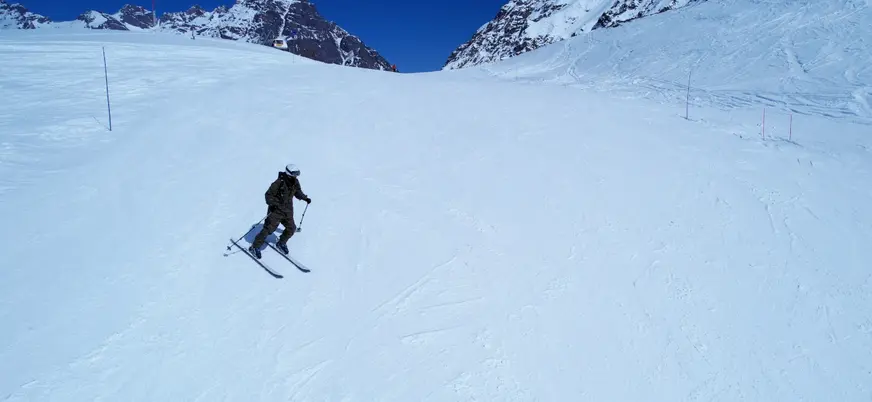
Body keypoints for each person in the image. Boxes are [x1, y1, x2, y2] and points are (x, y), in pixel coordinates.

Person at [249, 163, 311, 258]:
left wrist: (304, 198)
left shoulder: (295, 182)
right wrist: (273, 204)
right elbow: (268, 195)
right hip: (276, 211)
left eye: (297, 174)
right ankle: (254, 246)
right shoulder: (278, 183)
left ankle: (281, 243)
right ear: (289, 173)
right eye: (294, 174)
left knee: (292, 228)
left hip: (288, 211)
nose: (296, 176)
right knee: (268, 229)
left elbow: (297, 192)